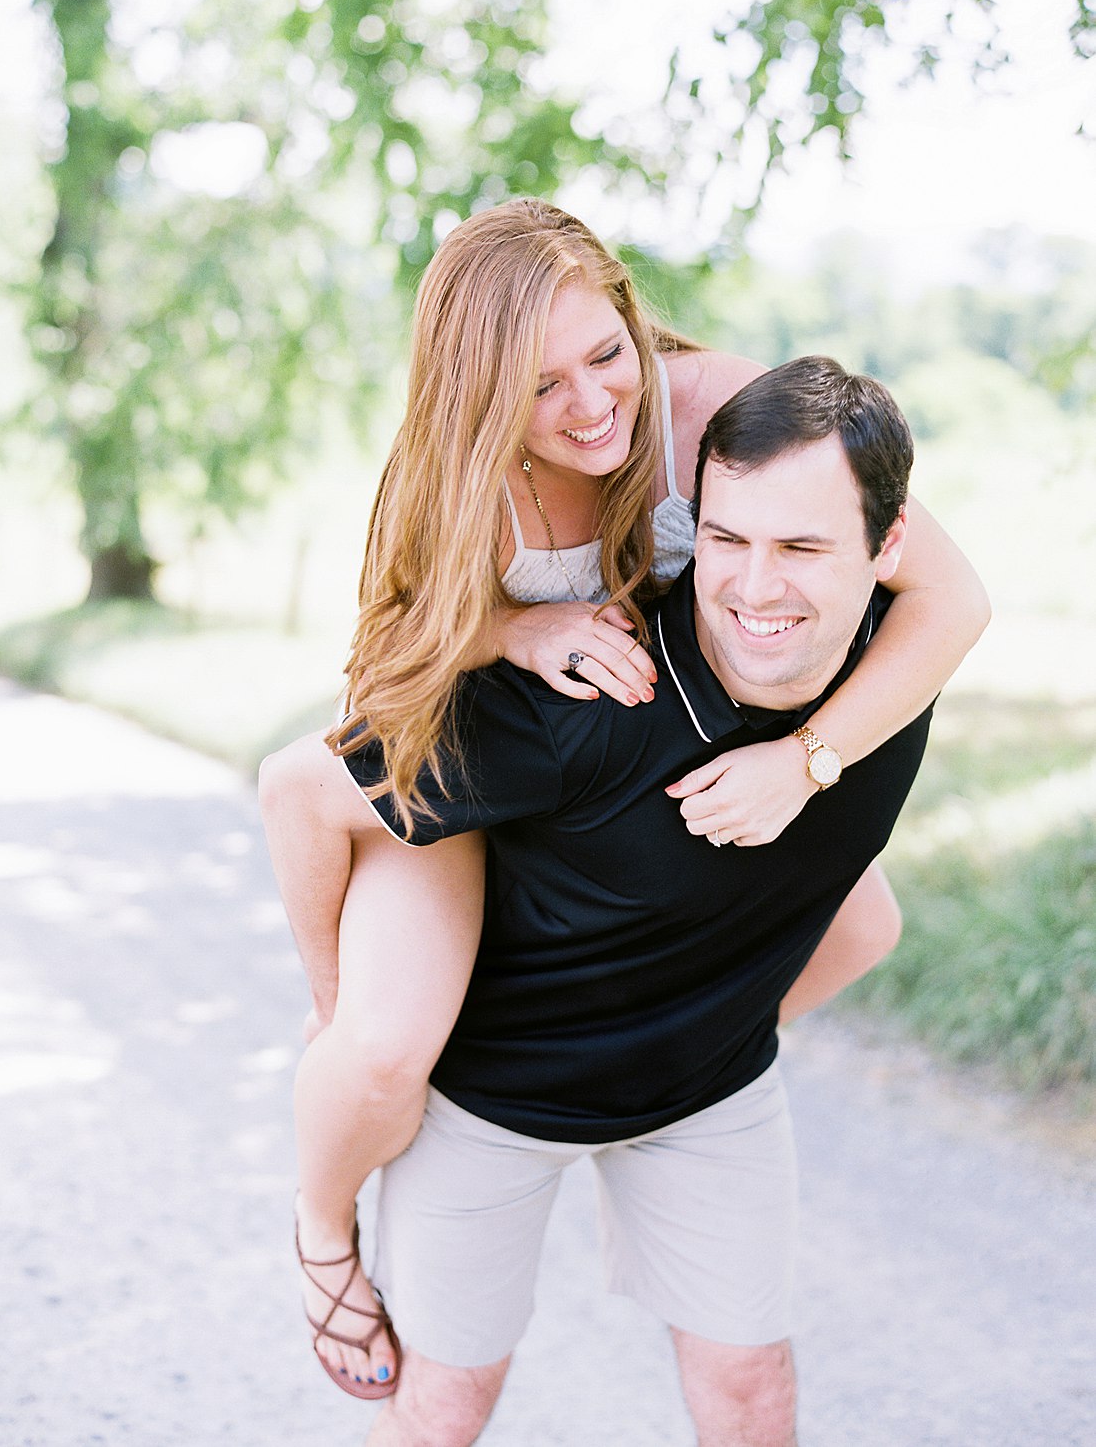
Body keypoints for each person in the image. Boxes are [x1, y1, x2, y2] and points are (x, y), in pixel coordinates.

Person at [257, 200, 989, 1398]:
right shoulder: (451, 474)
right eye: (541, 386)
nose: (594, 405)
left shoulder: (711, 409)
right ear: (481, 391)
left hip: (641, 742)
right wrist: (512, 621)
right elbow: (381, 675)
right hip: (486, 738)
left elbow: (945, 600)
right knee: (386, 1050)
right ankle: (321, 1222)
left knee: (862, 926)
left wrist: (804, 760)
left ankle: (650, 1099)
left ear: (634, 324)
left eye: (607, 354)